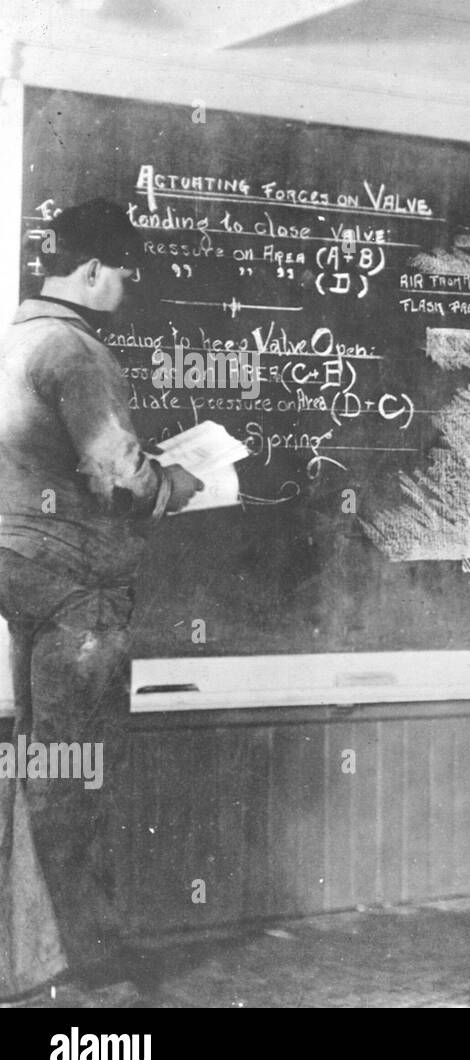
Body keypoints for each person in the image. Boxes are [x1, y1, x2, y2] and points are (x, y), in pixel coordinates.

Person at [0, 199, 203, 1005]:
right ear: (91, 270)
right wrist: (179, 482)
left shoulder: (15, 341)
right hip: (79, 588)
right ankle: (88, 968)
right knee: (78, 771)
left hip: (22, 575)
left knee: (43, 759)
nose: (128, 288)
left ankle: (29, 957)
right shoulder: (77, 350)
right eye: (124, 273)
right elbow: (121, 477)